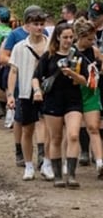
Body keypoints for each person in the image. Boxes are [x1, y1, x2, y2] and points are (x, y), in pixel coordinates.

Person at [32, 21, 88, 187]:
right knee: (55, 138)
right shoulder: (49, 56)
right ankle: (57, 175)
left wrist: (72, 74)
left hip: (73, 100)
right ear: (58, 37)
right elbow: (36, 76)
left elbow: (85, 80)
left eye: (71, 37)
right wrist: (37, 90)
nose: (68, 40)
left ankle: (71, 174)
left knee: (73, 135)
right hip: (53, 100)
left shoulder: (77, 56)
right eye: (65, 37)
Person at [6, 7, 51, 181]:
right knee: (27, 130)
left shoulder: (50, 45)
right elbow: (13, 72)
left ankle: (46, 163)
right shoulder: (19, 47)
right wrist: (10, 95)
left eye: (41, 24)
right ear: (28, 26)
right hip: (25, 92)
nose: (39, 28)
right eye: (35, 24)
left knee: (48, 128)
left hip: (48, 93)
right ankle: (28, 165)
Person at [72, 17, 103, 175]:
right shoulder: (71, 51)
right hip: (74, 93)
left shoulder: (94, 51)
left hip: (91, 92)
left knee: (93, 127)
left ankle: (99, 162)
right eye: (90, 39)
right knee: (72, 131)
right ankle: (68, 162)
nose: (92, 42)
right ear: (80, 36)